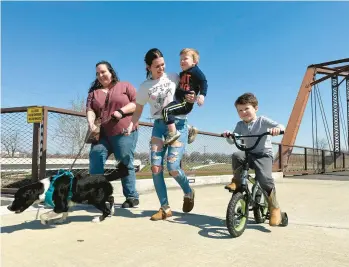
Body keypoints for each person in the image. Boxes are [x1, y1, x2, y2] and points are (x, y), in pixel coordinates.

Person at [125, 48, 195, 221]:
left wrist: (193, 97)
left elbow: (190, 89)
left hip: (178, 124)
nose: (161, 68)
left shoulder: (174, 77)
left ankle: (188, 192)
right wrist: (132, 123)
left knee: (173, 167)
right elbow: (139, 108)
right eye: (157, 66)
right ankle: (165, 208)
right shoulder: (144, 87)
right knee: (156, 168)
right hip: (158, 126)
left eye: (163, 64)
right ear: (148, 67)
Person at [222, 92, 285, 226]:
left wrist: (277, 130)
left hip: (264, 155)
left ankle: (274, 208)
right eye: (240, 110)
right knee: (237, 155)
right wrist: (229, 135)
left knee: (264, 179)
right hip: (248, 154)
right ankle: (237, 181)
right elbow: (233, 139)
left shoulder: (262, 120)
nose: (243, 112)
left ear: (255, 108)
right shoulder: (240, 125)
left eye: (247, 109)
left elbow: (281, 126)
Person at [86, 60, 140, 208]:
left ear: (111, 72)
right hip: (102, 134)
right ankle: (98, 195)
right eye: (97, 73)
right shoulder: (93, 93)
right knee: (96, 156)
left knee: (124, 161)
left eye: (103, 72)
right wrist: (91, 123)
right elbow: (90, 109)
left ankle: (131, 196)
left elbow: (136, 103)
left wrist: (121, 111)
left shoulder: (125, 86)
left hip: (123, 131)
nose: (100, 75)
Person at [162, 48, 207, 145]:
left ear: (194, 61)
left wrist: (202, 95)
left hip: (185, 102)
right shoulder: (182, 74)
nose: (182, 61)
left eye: (185, 59)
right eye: (180, 60)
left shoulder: (195, 71)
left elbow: (203, 81)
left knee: (166, 111)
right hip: (180, 101)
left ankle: (173, 133)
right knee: (175, 117)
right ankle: (190, 129)